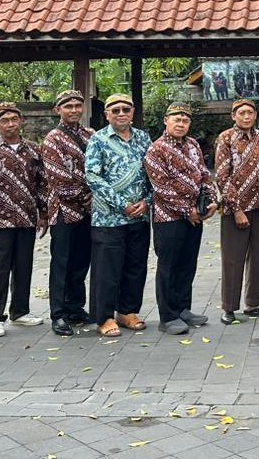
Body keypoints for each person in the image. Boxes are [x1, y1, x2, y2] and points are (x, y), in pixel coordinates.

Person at [0, 102, 48, 337]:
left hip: (26, 220)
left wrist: (43, 213)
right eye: (4, 120)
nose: (10, 124)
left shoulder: (34, 151)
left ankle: (20, 310)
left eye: (14, 119)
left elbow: (42, 184)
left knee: (23, 266)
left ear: (21, 121)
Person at [144, 102, 218, 335]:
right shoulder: (157, 149)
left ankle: (183, 308)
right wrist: (188, 210)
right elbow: (161, 187)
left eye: (185, 120)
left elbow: (205, 175)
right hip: (169, 217)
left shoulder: (193, 144)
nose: (181, 123)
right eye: (176, 119)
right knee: (169, 266)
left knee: (188, 264)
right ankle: (168, 316)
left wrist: (211, 199)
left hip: (194, 215)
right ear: (166, 121)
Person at [85, 94, 153, 337]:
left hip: (140, 216)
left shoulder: (143, 138)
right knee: (107, 269)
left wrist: (146, 202)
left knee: (135, 265)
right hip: (108, 218)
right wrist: (122, 204)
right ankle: (103, 317)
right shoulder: (99, 140)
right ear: (107, 115)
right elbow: (93, 176)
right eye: (115, 110)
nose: (121, 113)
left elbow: (153, 173)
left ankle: (127, 311)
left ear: (133, 112)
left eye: (126, 109)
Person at [214, 99, 259, 325]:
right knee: (233, 258)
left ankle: (254, 303)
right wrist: (236, 208)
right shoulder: (225, 138)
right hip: (235, 208)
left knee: (257, 256)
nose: (246, 116)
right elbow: (222, 176)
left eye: (250, 112)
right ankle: (229, 307)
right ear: (234, 116)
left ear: (255, 115)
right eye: (241, 113)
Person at [41, 89, 95, 336]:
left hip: (89, 211)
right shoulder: (52, 139)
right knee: (62, 262)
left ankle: (76, 307)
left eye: (77, 105)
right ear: (58, 110)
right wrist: (88, 199)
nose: (73, 110)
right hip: (64, 210)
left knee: (81, 261)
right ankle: (58, 314)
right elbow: (59, 178)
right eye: (68, 106)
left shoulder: (91, 135)